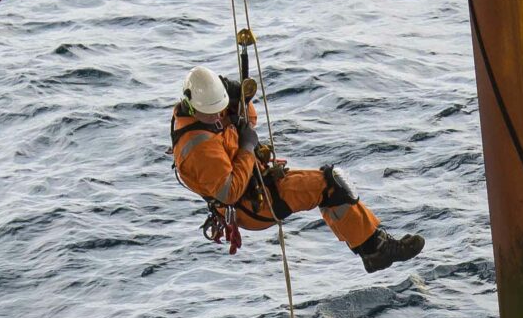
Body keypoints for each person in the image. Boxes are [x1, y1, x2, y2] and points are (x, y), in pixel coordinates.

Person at [169, 66, 424, 272]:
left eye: (220, 110)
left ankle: (374, 247)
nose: (217, 117)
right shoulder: (198, 149)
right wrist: (247, 149)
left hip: (258, 182)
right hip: (250, 204)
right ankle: (375, 250)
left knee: (332, 182)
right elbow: (230, 192)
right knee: (329, 185)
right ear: (193, 107)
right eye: (212, 113)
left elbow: (250, 120)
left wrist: (240, 99)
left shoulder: (206, 109)